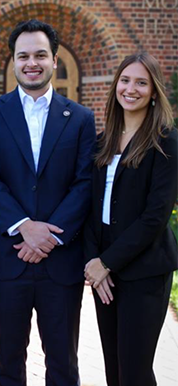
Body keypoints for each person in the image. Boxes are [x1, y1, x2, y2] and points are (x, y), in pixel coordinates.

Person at [0, 19, 96, 386]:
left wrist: (49, 237)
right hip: (6, 257)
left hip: (61, 261)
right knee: (7, 363)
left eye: (40, 55)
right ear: (13, 62)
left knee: (63, 364)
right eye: (23, 55)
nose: (32, 62)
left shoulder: (79, 118)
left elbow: (84, 182)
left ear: (54, 60)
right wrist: (25, 227)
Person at [84, 52, 178, 386]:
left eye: (141, 82)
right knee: (115, 370)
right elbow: (91, 208)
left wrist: (106, 262)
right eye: (125, 80)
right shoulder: (103, 141)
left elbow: (155, 216)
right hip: (105, 270)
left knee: (134, 372)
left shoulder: (166, 142)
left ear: (154, 92)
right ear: (115, 87)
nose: (131, 88)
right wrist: (94, 261)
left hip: (144, 268)